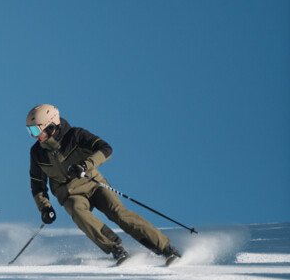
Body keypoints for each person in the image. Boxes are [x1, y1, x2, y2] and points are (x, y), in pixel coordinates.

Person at [26, 104, 181, 265]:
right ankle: (116, 250)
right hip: (71, 194)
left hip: (93, 185)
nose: (34, 136)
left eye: (36, 131)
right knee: (77, 211)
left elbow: (105, 149)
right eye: (30, 131)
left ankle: (166, 249)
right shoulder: (37, 153)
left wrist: (85, 166)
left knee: (119, 214)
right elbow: (37, 185)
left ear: (51, 126)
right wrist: (45, 207)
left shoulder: (75, 136)